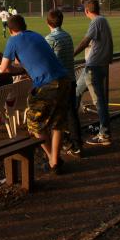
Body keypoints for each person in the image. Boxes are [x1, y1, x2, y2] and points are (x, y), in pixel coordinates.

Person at [0, 15, 70, 174]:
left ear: (11, 30)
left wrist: (10, 67)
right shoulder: (36, 35)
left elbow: (3, 69)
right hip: (64, 80)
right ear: (25, 25)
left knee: (33, 121)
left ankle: (52, 157)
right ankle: (55, 162)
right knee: (58, 122)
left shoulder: (13, 40)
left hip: (47, 84)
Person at [73, 0, 113, 146]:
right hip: (98, 65)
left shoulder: (96, 21)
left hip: (94, 66)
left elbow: (85, 41)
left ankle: (104, 134)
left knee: (99, 101)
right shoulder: (103, 20)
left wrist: (71, 54)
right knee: (76, 92)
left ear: (86, 11)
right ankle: (71, 125)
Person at [45, 9, 82, 157]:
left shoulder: (50, 38)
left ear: (48, 22)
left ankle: (58, 147)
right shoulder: (67, 35)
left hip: (58, 82)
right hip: (71, 79)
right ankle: (76, 144)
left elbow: (46, 60)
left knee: (56, 115)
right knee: (71, 112)